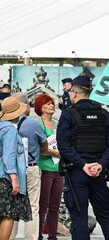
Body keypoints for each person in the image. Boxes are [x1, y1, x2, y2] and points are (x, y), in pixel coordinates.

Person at [56, 75, 109, 240]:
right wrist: (100, 164)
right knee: (104, 215)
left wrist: (82, 164)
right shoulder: (104, 114)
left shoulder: (68, 115)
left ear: (74, 93)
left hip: (77, 172)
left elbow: (63, 145)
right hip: (98, 172)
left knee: (79, 218)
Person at [9, 93, 49, 240]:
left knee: (11, 207)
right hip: (30, 168)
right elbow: (44, 147)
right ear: (25, 106)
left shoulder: (4, 124)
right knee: (33, 206)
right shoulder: (33, 124)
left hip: (10, 171)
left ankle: (8, 237)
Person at [0, 96, 32, 239]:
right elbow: (9, 156)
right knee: (9, 214)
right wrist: (14, 178)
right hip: (5, 178)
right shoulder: (9, 130)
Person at [34, 94, 64, 240]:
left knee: (55, 206)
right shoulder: (38, 124)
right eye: (48, 104)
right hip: (44, 169)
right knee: (42, 206)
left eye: (52, 103)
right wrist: (60, 154)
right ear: (40, 108)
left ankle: (53, 236)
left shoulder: (58, 124)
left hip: (59, 170)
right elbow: (41, 149)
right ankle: (38, 235)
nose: (52, 106)